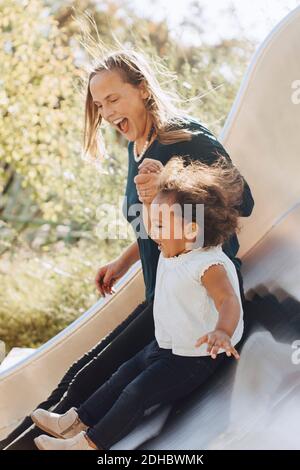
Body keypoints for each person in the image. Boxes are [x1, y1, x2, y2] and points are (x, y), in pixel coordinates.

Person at [1, 49, 254, 450]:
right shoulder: (135, 146)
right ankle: (53, 432)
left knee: (95, 376)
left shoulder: (186, 138)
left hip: (195, 295)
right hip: (162, 291)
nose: (105, 112)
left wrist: (175, 183)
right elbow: (154, 224)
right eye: (99, 105)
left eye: (113, 99)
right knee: (87, 374)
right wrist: (124, 259)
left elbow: (243, 205)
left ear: (143, 90)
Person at [32, 155, 245, 450]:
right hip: (165, 345)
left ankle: (87, 444)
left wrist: (222, 330)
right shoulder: (175, 247)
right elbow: (151, 219)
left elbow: (228, 300)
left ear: (191, 230)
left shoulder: (208, 264)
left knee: (136, 393)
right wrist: (153, 190)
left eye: (160, 224)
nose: (152, 231)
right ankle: (74, 421)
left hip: (192, 359)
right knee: (120, 376)